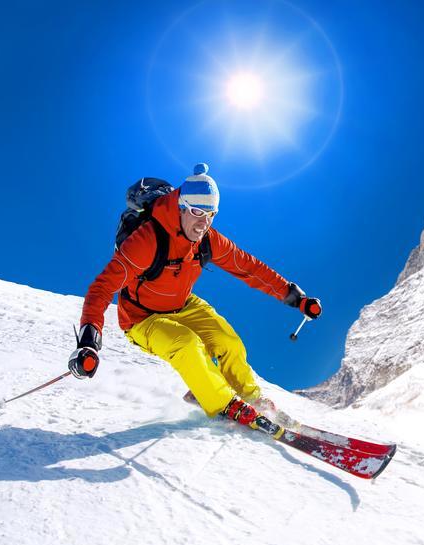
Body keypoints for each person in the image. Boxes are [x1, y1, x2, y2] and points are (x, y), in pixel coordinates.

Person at [68, 163, 321, 426]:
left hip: (183, 305)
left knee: (228, 341)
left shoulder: (208, 239)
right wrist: (88, 341)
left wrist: (296, 298)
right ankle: (224, 404)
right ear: (180, 207)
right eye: (198, 212)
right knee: (186, 343)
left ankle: (252, 398)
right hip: (142, 318)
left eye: (211, 214)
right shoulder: (147, 240)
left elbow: (249, 267)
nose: (203, 223)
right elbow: (102, 288)